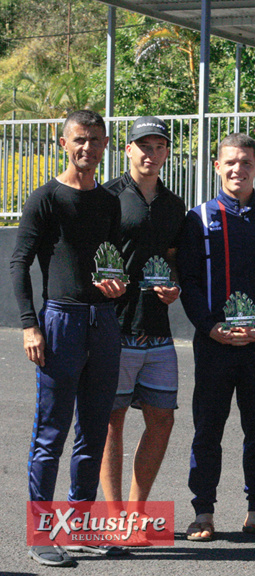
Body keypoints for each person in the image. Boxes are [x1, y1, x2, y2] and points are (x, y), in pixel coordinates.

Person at [10, 109, 126, 567]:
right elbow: (19, 263)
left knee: (93, 430)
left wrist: (119, 288)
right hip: (60, 322)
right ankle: (42, 533)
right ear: (63, 143)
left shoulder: (110, 201)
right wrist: (29, 324)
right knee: (51, 431)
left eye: (96, 140)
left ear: (104, 144)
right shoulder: (46, 199)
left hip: (103, 323)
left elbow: (111, 262)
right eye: (80, 140)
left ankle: (79, 526)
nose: (87, 148)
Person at [176, 133, 255, 542]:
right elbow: (187, 280)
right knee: (208, 429)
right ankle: (202, 512)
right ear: (217, 167)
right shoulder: (198, 218)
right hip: (214, 345)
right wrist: (209, 327)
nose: (238, 169)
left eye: (246, 162)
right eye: (230, 162)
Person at [100, 116, 186, 518]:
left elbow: (172, 259)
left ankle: (137, 510)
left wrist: (174, 286)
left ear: (166, 153)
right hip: (112, 327)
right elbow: (88, 257)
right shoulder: (106, 197)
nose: (151, 154)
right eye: (143, 146)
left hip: (157, 330)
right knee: (110, 423)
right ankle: (114, 513)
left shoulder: (174, 204)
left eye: (159, 147)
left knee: (162, 420)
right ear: (128, 149)